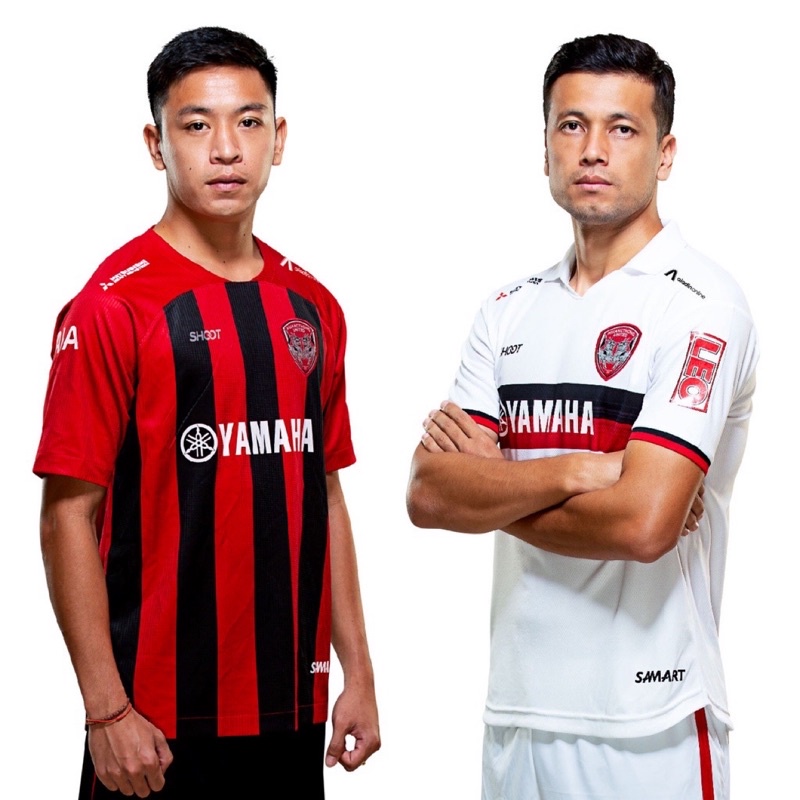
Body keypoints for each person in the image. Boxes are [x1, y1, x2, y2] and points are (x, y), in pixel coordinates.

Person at [407, 33, 757, 800]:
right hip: (517, 713)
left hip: (648, 721)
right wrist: (581, 470)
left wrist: (497, 484)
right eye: (572, 125)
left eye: (622, 128)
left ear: (665, 154)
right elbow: (430, 495)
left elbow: (644, 524)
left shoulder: (702, 307)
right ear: (545, 148)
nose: (593, 149)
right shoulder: (507, 310)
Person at [34, 26, 379, 799]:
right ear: (156, 145)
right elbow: (65, 518)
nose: (226, 148)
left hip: (291, 712)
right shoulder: (113, 306)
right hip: (152, 727)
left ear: (278, 139)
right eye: (196, 125)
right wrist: (106, 710)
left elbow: (324, 495)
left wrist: (356, 671)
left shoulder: (313, 306)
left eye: (248, 121)